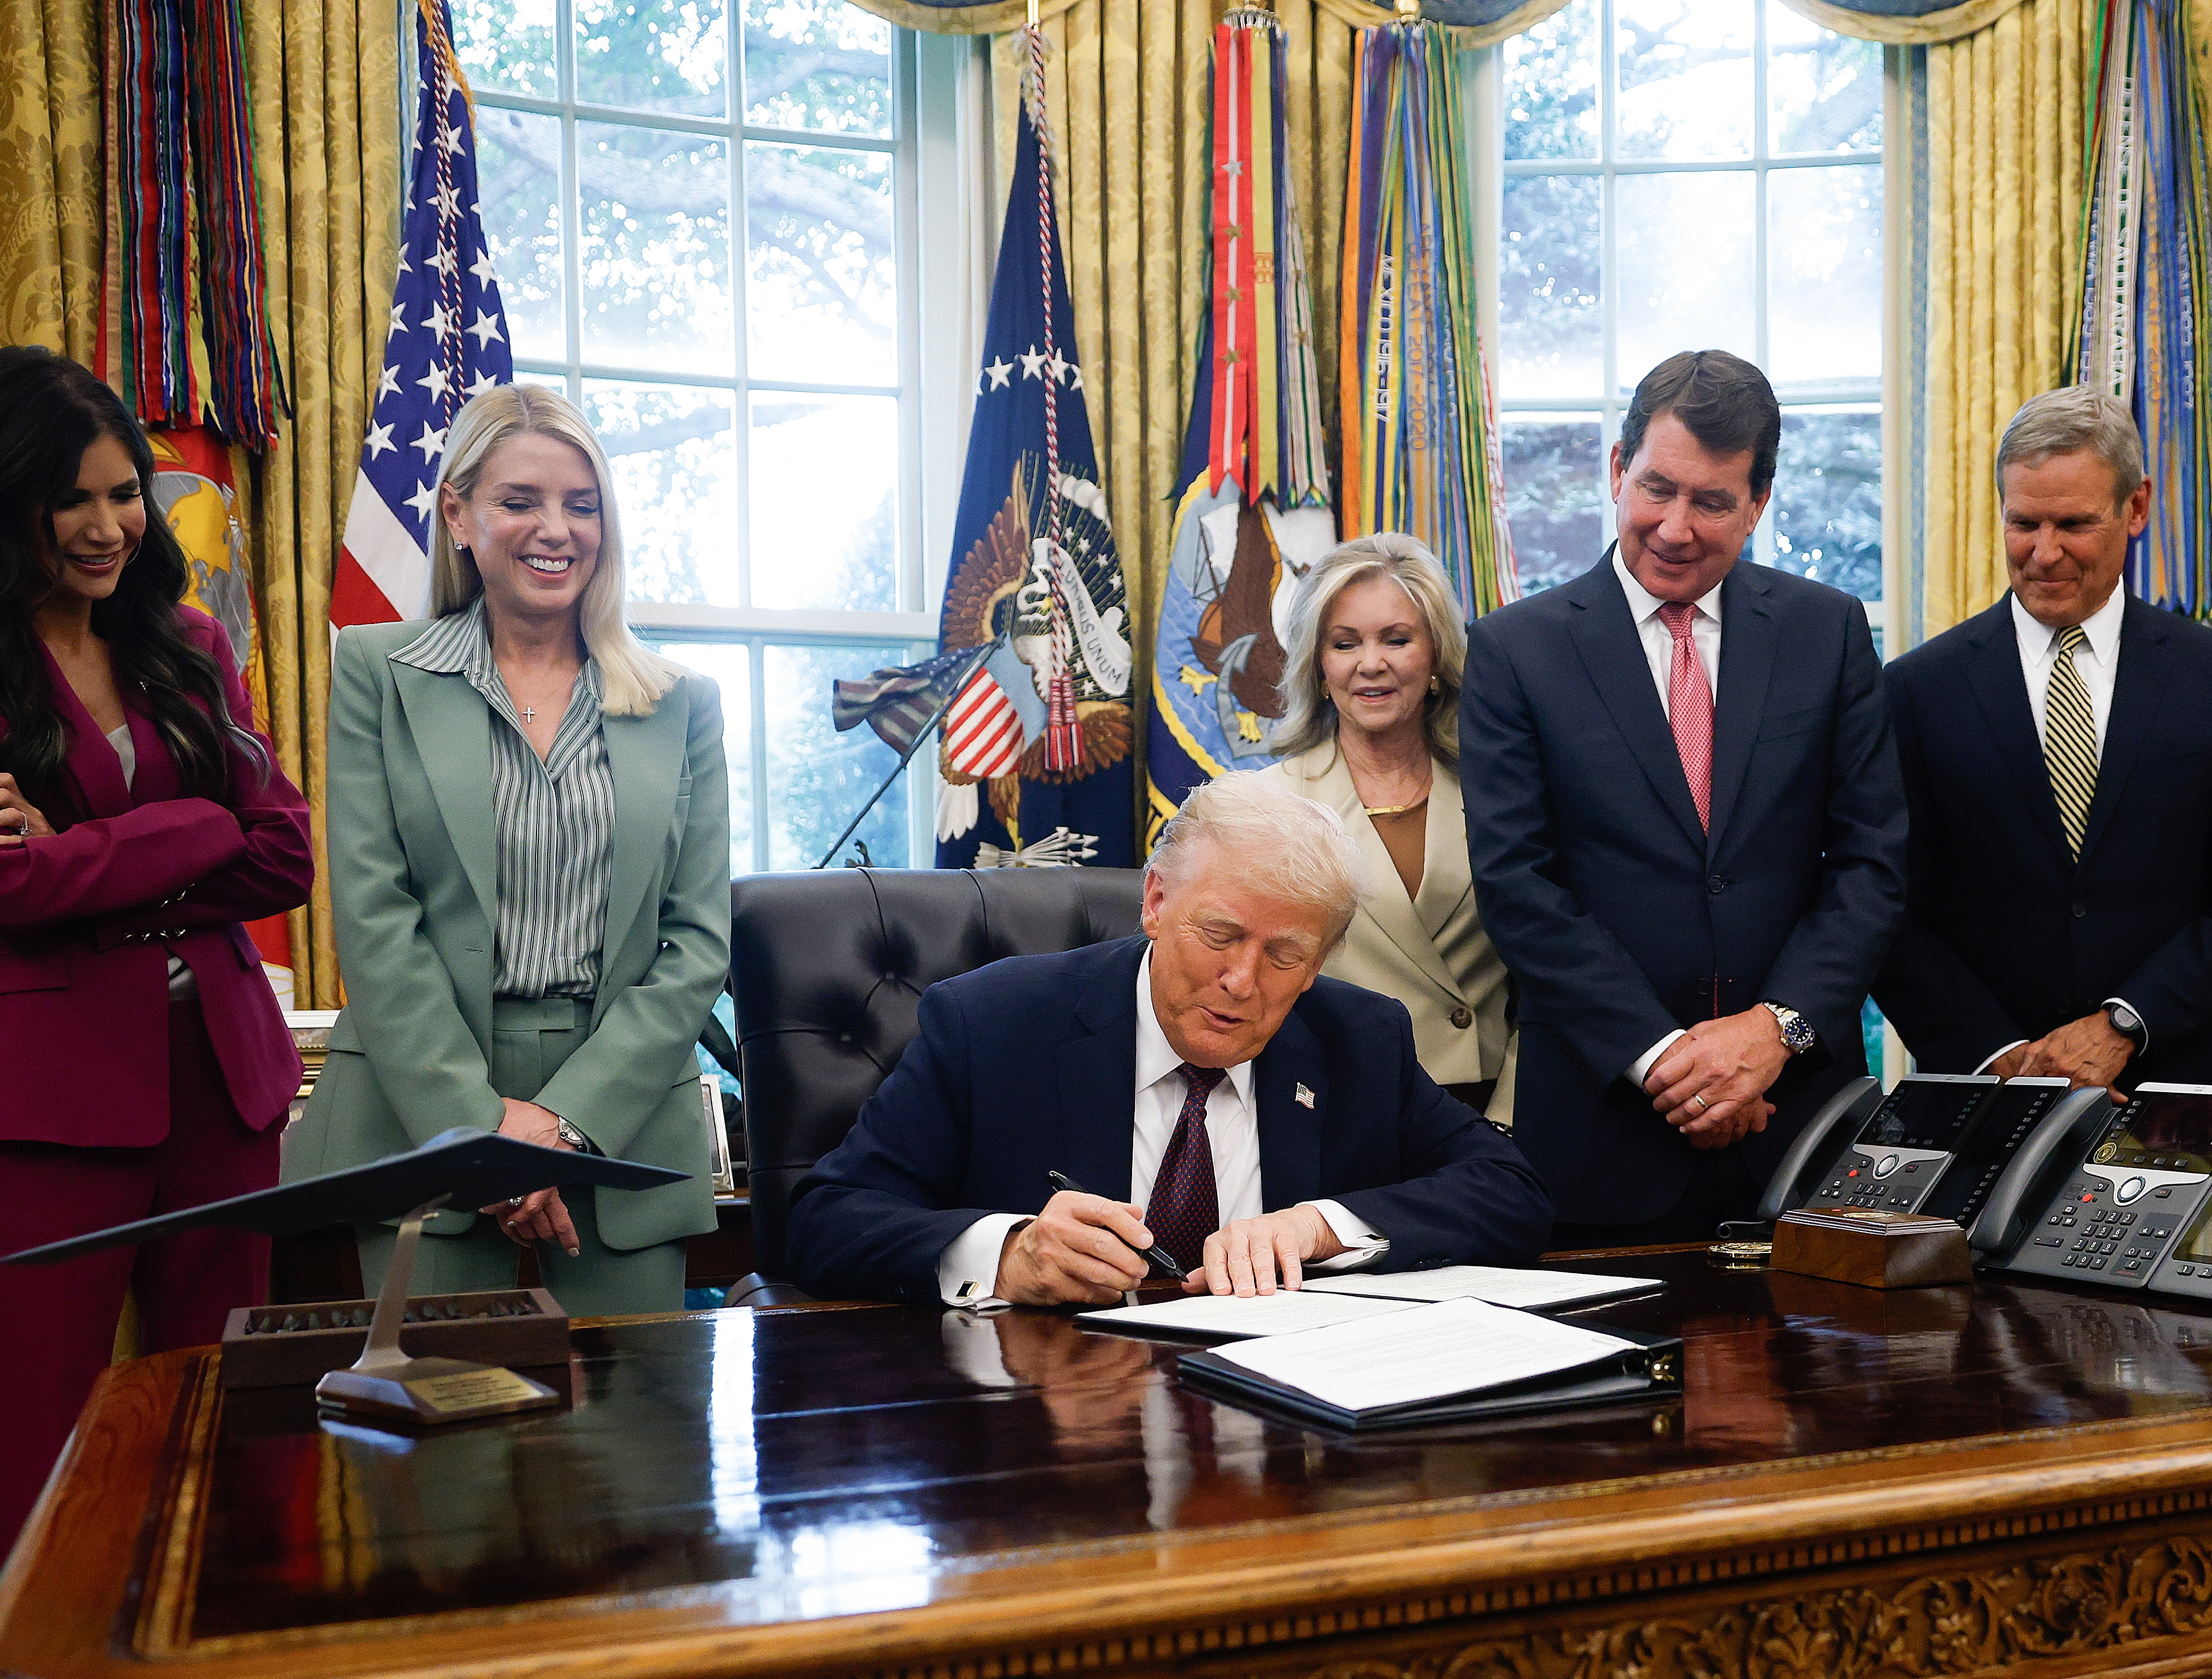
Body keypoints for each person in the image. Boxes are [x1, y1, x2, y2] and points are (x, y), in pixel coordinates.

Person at [285, 384, 729, 1314]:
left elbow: (697, 942)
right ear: (458, 514)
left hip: (622, 1115)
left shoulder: (683, 702)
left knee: (632, 1410)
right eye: (520, 501)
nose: (555, 530)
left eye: (582, 504)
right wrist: (479, 1128)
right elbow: (375, 920)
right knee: (443, 1409)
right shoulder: (376, 672)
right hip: (425, 1107)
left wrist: (565, 1126)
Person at [784, 775, 1554, 1305]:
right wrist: (1010, 1253)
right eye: (1218, 934)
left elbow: (1510, 1193)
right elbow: (826, 1220)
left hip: (1284, 1425)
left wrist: (1319, 1226)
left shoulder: (1358, 1038)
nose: (1241, 980)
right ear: (1155, 900)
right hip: (1050, 1422)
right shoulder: (990, 1023)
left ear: (1319, 961)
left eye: (1284, 954)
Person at [1459, 349, 1906, 1243]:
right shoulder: (1515, 650)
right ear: (1616, 469)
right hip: (1601, 1132)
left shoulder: (1826, 630)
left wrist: (1772, 1034)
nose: (1672, 527)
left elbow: (1871, 863)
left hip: (1798, 1123)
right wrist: (1672, 1062)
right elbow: (1517, 885)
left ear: (1757, 503)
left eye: (1709, 502)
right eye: (1655, 489)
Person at [0, 347, 311, 1561]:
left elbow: (283, 853)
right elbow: (8, 885)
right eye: (68, 499)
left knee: (230, 1424)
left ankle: (226, 1666)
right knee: (35, 1442)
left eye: (124, 492)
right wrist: (193, 828)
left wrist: (89, 857)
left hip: (224, 1086)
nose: (106, 526)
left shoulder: (187, 640)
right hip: (51, 1105)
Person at [1873, 385, 2212, 1091]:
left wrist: (2125, 1024)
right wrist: (1998, 1055)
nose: (2044, 553)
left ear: (2136, 507)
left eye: (2073, 523)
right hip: (1988, 1093)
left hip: (2174, 1090)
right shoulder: (1918, 689)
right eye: (2022, 523)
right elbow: (1888, 908)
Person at [1257, 531, 1515, 1120]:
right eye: (1344, 643)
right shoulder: (1264, 805)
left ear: (1436, 657)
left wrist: (1507, 1119)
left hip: (1484, 1108)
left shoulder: (1505, 789)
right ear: (1318, 667)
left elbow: (1545, 976)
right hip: (1329, 1110)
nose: (1371, 663)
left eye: (1396, 639)